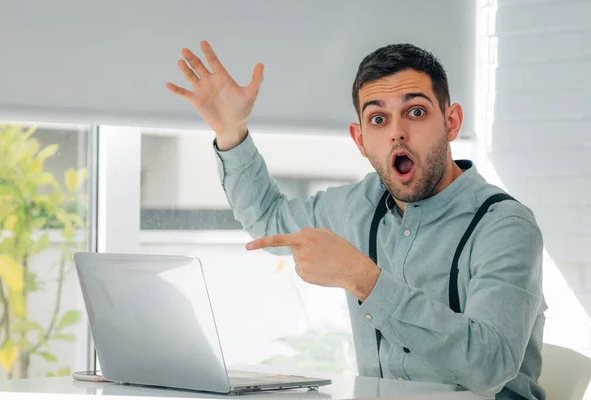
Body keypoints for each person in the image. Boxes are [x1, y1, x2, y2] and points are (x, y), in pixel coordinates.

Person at [166, 40, 547, 400]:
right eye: (378, 119)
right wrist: (231, 132)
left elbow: (490, 364)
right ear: (360, 139)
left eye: (416, 112)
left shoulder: (504, 225)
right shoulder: (359, 204)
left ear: (451, 122)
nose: (397, 132)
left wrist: (364, 280)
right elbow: (270, 218)